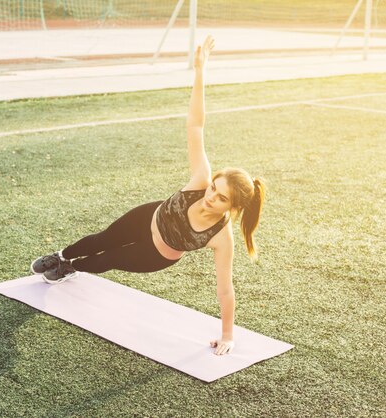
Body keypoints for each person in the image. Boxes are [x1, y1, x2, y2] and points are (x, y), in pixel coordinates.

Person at [30, 35, 265, 356]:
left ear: (233, 208)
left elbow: (225, 289)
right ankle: (62, 256)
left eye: (221, 198)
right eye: (214, 188)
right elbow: (196, 125)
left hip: (158, 254)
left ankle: (72, 268)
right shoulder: (200, 180)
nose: (211, 197)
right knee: (101, 240)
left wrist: (228, 336)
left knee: (106, 260)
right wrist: (200, 71)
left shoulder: (221, 237)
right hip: (148, 217)